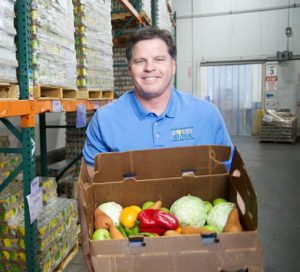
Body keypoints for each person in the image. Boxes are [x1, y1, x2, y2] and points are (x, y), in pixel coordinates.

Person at [82, 26, 233, 178]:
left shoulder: (206, 115)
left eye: (159, 59)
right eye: (140, 61)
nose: (149, 68)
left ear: (173, 66)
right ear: (129, 70)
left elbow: (232, 174)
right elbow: (92, 186)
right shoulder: (104, 120)